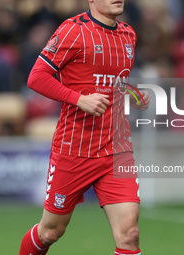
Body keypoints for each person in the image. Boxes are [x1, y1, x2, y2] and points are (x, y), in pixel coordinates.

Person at [19, 0, 150, 254]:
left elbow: (115, 81)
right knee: (50, 232)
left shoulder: (128, 34)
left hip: (115, 149)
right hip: (74, 149)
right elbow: (36, 77)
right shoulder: (72, 30)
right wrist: (79, 99)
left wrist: (135, 94)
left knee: (129, 234)